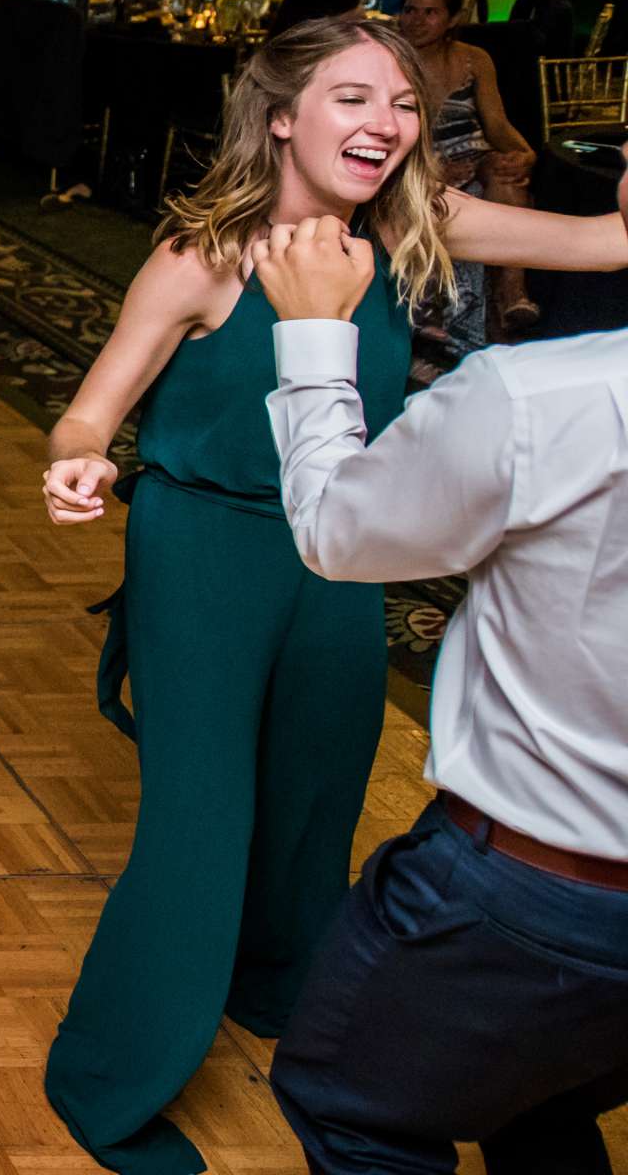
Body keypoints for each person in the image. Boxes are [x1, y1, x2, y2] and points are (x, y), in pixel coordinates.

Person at [37, 15, 628, 1175]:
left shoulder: (417, 229)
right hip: (202, 548)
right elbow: (92, 405)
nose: (388, 123)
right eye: (355, 97)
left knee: (318, 797)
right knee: (198, 826)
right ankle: (110, 1076)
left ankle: (279, 986)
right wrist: (81, 456)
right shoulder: (203, 253)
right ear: (281, 117)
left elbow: (606, 245)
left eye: (403, 103)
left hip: (340, 556)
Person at [252, 209, 628, 1175]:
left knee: (350, 1107)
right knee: (535, 1101)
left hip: (535, 893)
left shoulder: (543, 397)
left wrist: (312, 335)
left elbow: (340, 530)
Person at [396, 0, 539, 341]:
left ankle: (512, 295)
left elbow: (496, 124)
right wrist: (431, 168)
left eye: (430, 12)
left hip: (475, 154)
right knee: (448, 189)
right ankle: (447, 319)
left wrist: (523, 152)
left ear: (452, 19)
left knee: (505, 173)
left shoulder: (474, 59)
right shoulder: (389, 59)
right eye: (410, 10)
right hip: (416, 158)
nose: (417, 20)